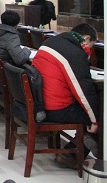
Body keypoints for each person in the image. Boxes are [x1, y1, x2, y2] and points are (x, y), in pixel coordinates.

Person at [32, 23, 100, 167]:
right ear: (86, 38)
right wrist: (95, 121)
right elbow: (83, 91)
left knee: (92, 112)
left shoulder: (51, 42)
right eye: (91, 45)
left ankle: (71, 152)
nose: (90, 50)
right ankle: (72, 156)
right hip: (56, 108)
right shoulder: (74, 53)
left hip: (40, 103)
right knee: (101, 116)